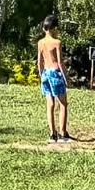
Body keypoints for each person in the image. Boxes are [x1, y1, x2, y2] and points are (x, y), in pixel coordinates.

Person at [37, 15, 71, 143]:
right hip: (56, 73)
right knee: (63, 104)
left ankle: (52, 134)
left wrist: (41, 75)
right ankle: (63, 133)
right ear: (54, 28)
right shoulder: (56, 43)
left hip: (45, 73)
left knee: (49, 104)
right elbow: (60, 62)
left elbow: (39, 62)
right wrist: (66, 78)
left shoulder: (40, 43)